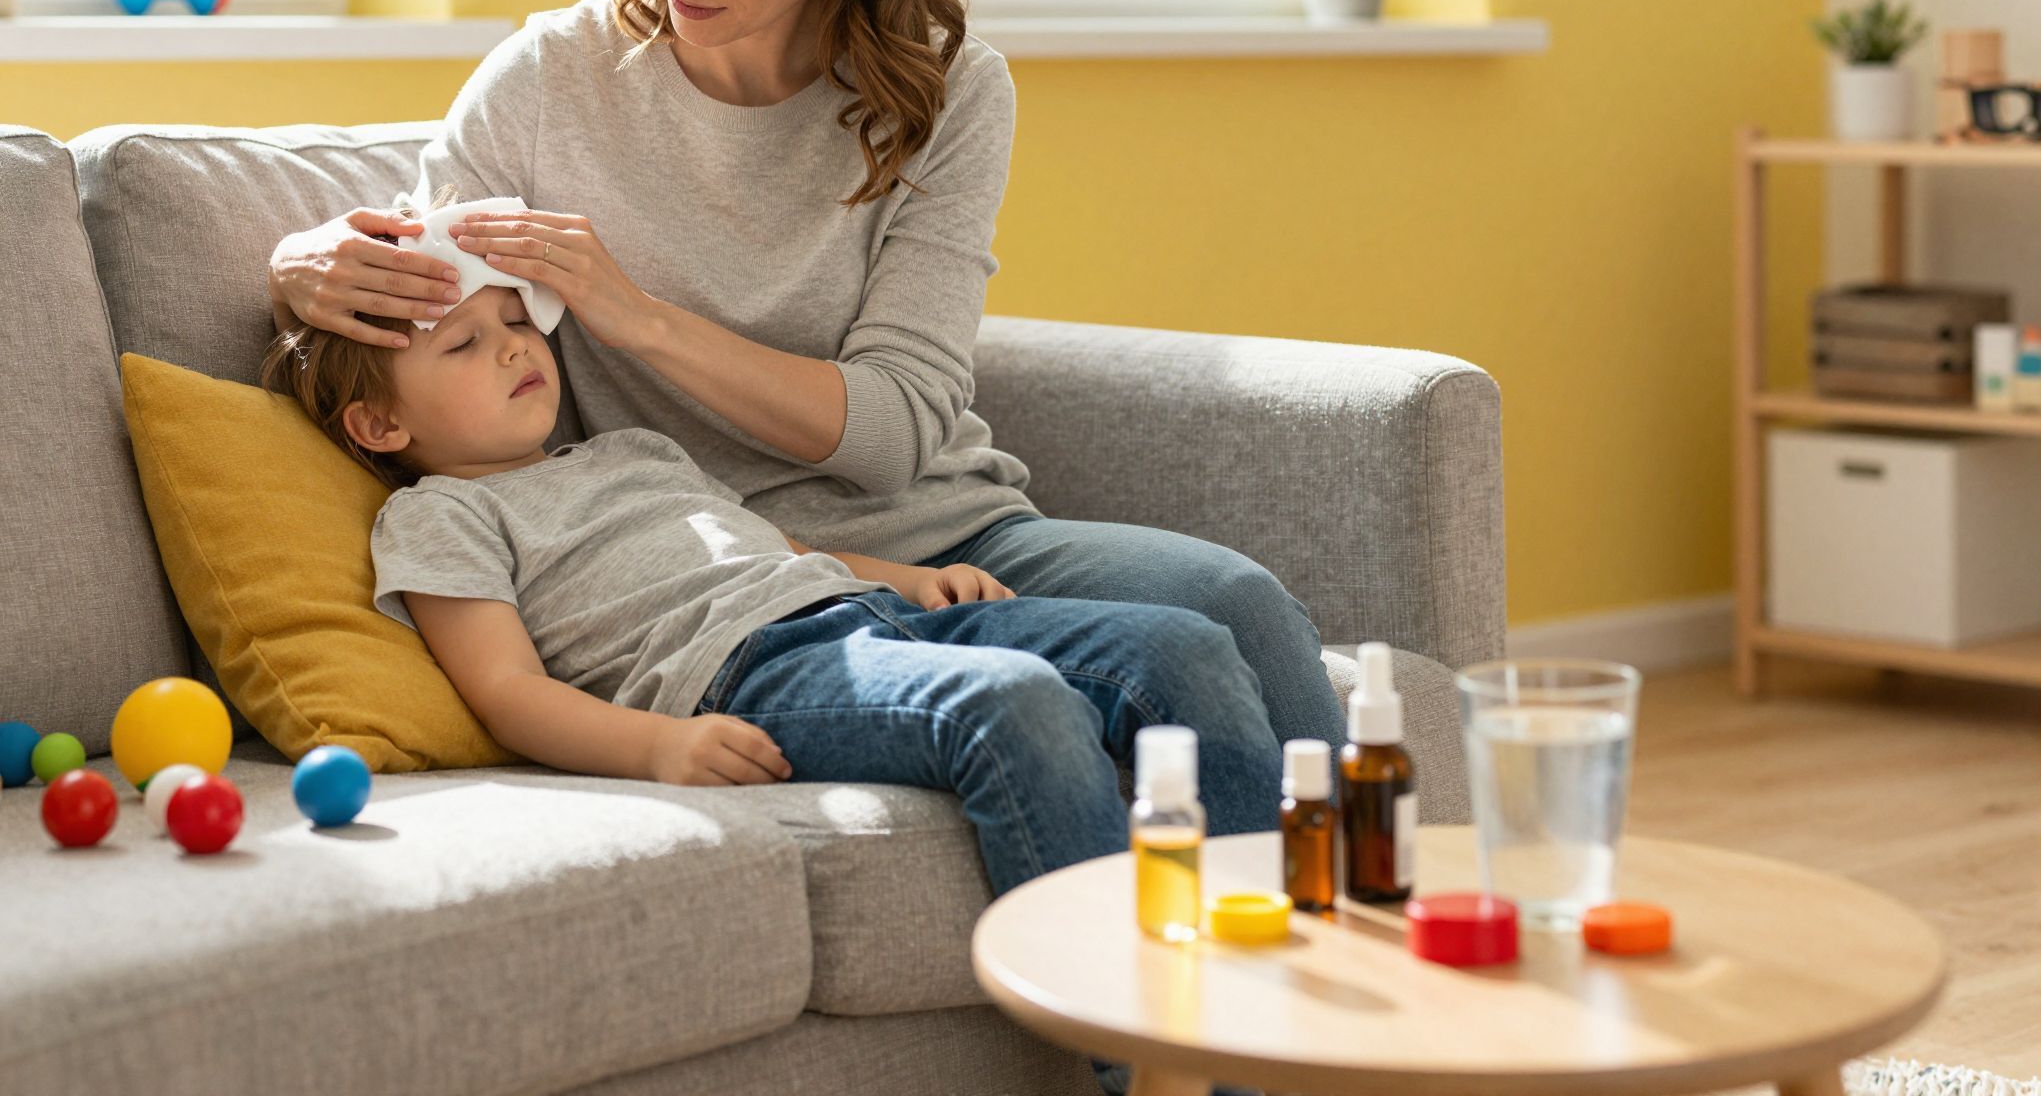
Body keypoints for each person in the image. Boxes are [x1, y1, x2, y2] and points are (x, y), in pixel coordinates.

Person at [264, 0, 1346, 773]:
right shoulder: (547, 83)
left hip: (944, 537)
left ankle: (1355, 925)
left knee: (1236, 603)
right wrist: (294, 266)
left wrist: (637, 322)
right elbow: (420, 302)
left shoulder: (948, 91)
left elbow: (892, 432)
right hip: (712, 575)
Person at [258, 269, 1282, 901]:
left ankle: (1265, 996)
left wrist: (914, 580)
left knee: (1181, 647)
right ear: (381, 427)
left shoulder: (628, 449)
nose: (517, 345)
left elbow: (766, 542)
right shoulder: (440, 515)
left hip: (860, 614)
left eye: (512, 320)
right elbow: (504, 692)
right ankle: (1144, 1047)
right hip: (745, 676)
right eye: (465, 344)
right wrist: (658, 746)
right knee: (1013, 702)